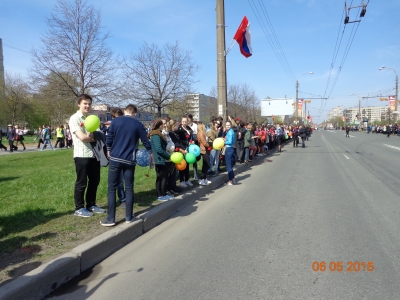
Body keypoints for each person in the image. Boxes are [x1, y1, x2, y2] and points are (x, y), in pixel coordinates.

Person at [100, 104, 153, 226]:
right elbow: (145, 142)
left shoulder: (116, 121)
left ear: (125, 111)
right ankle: (129, 216)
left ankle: (110, 219)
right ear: (135, 114)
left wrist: (108, 150)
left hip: (115, 158)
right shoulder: (138, 125)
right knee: (129, 188)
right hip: (129, 160)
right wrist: (151, 156)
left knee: (112, 188)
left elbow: (110, 138)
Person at [69, 94, 105, 218]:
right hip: (81, 155)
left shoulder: (91, 118)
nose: (87, 106)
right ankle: (79, 208)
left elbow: (98, 136)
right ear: (79, 104)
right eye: (85, 103)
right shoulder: (75, 118)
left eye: (89, 103)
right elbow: (83, 138)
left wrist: (92, 137)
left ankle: (91, 204)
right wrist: (91, 137)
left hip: (94, 154)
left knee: (95, 180)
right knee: (81, 182)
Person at [149, 119, 173, 201]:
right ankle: (162, 194)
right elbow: (158, 149)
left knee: (160, 177)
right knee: (163, 177)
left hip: (159, 159)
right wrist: (168, 156)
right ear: (160, 126)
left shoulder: (156, 134)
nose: (164, 126)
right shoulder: (156, 135)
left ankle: (161, 194)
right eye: (163, 125)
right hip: (159, 159)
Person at [175, 115, 194, 188]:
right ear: (181, 121)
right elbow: (178, 140)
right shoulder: (179, 129)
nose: (184, 123)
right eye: (183, 121)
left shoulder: (188, 128)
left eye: (185, 121)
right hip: (182, 148)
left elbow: (191, 137)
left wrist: (192, 141)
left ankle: (187, 179)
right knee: (182, 164)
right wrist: (182, 147)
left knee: (187, 164)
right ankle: (181, 181)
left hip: (188, 148)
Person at [187, 114, 199, 180]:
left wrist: (194, 140)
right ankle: (187, 176)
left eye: (188, 119)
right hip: (187, 144)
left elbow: (196, 136)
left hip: (193, 145)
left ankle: (195, 174)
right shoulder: (185, 126)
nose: (187, 121)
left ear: (191, 119)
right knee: (187, 160)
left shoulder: (195, 126)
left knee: (194, 160)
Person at [224, 120, 236, 185]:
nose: (227, 126)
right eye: (226, 125)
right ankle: (233, 179)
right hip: (230, 149)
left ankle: (230, 181)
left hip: (229, 149)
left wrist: (223, 142)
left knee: (228, 166)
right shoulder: (230, 131)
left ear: (231, 125)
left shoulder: (230, 132)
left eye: (228, 125)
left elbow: (230, 141)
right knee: (230, 166)